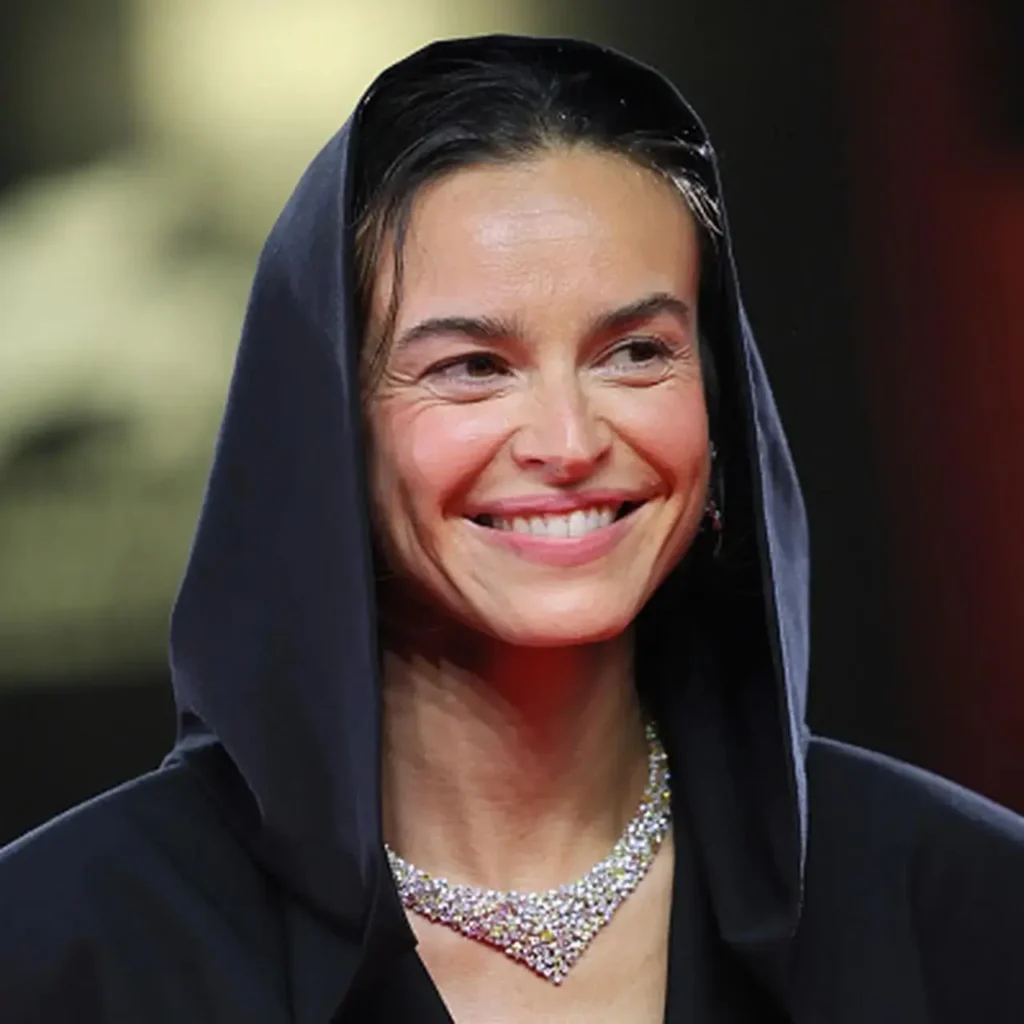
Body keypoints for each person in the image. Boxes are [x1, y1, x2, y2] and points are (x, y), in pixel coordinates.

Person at [1, 34, 1022, 1023]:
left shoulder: (965, 907)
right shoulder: (57, 949)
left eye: (635, 352)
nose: (569, 441)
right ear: (325, 430)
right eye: (472, 368)